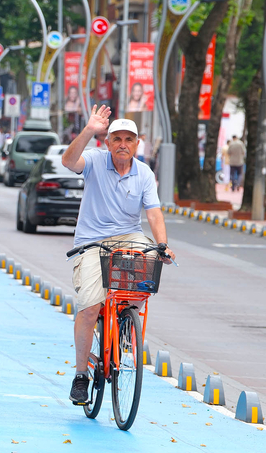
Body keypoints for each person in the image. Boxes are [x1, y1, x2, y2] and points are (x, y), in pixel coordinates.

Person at [61, 106, 176, 404]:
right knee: (89, 308)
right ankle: (80, 375)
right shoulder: (96, 162)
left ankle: (126, 324)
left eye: (129, 139)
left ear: (137, 144)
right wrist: (89, 129)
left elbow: (153, 214)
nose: (123, 144)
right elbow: (69, 160)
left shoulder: (145, 174)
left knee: (148, 265)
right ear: (107, 143)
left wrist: (162, 245)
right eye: (117, 139)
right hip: (91, 242)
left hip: (128, 236)